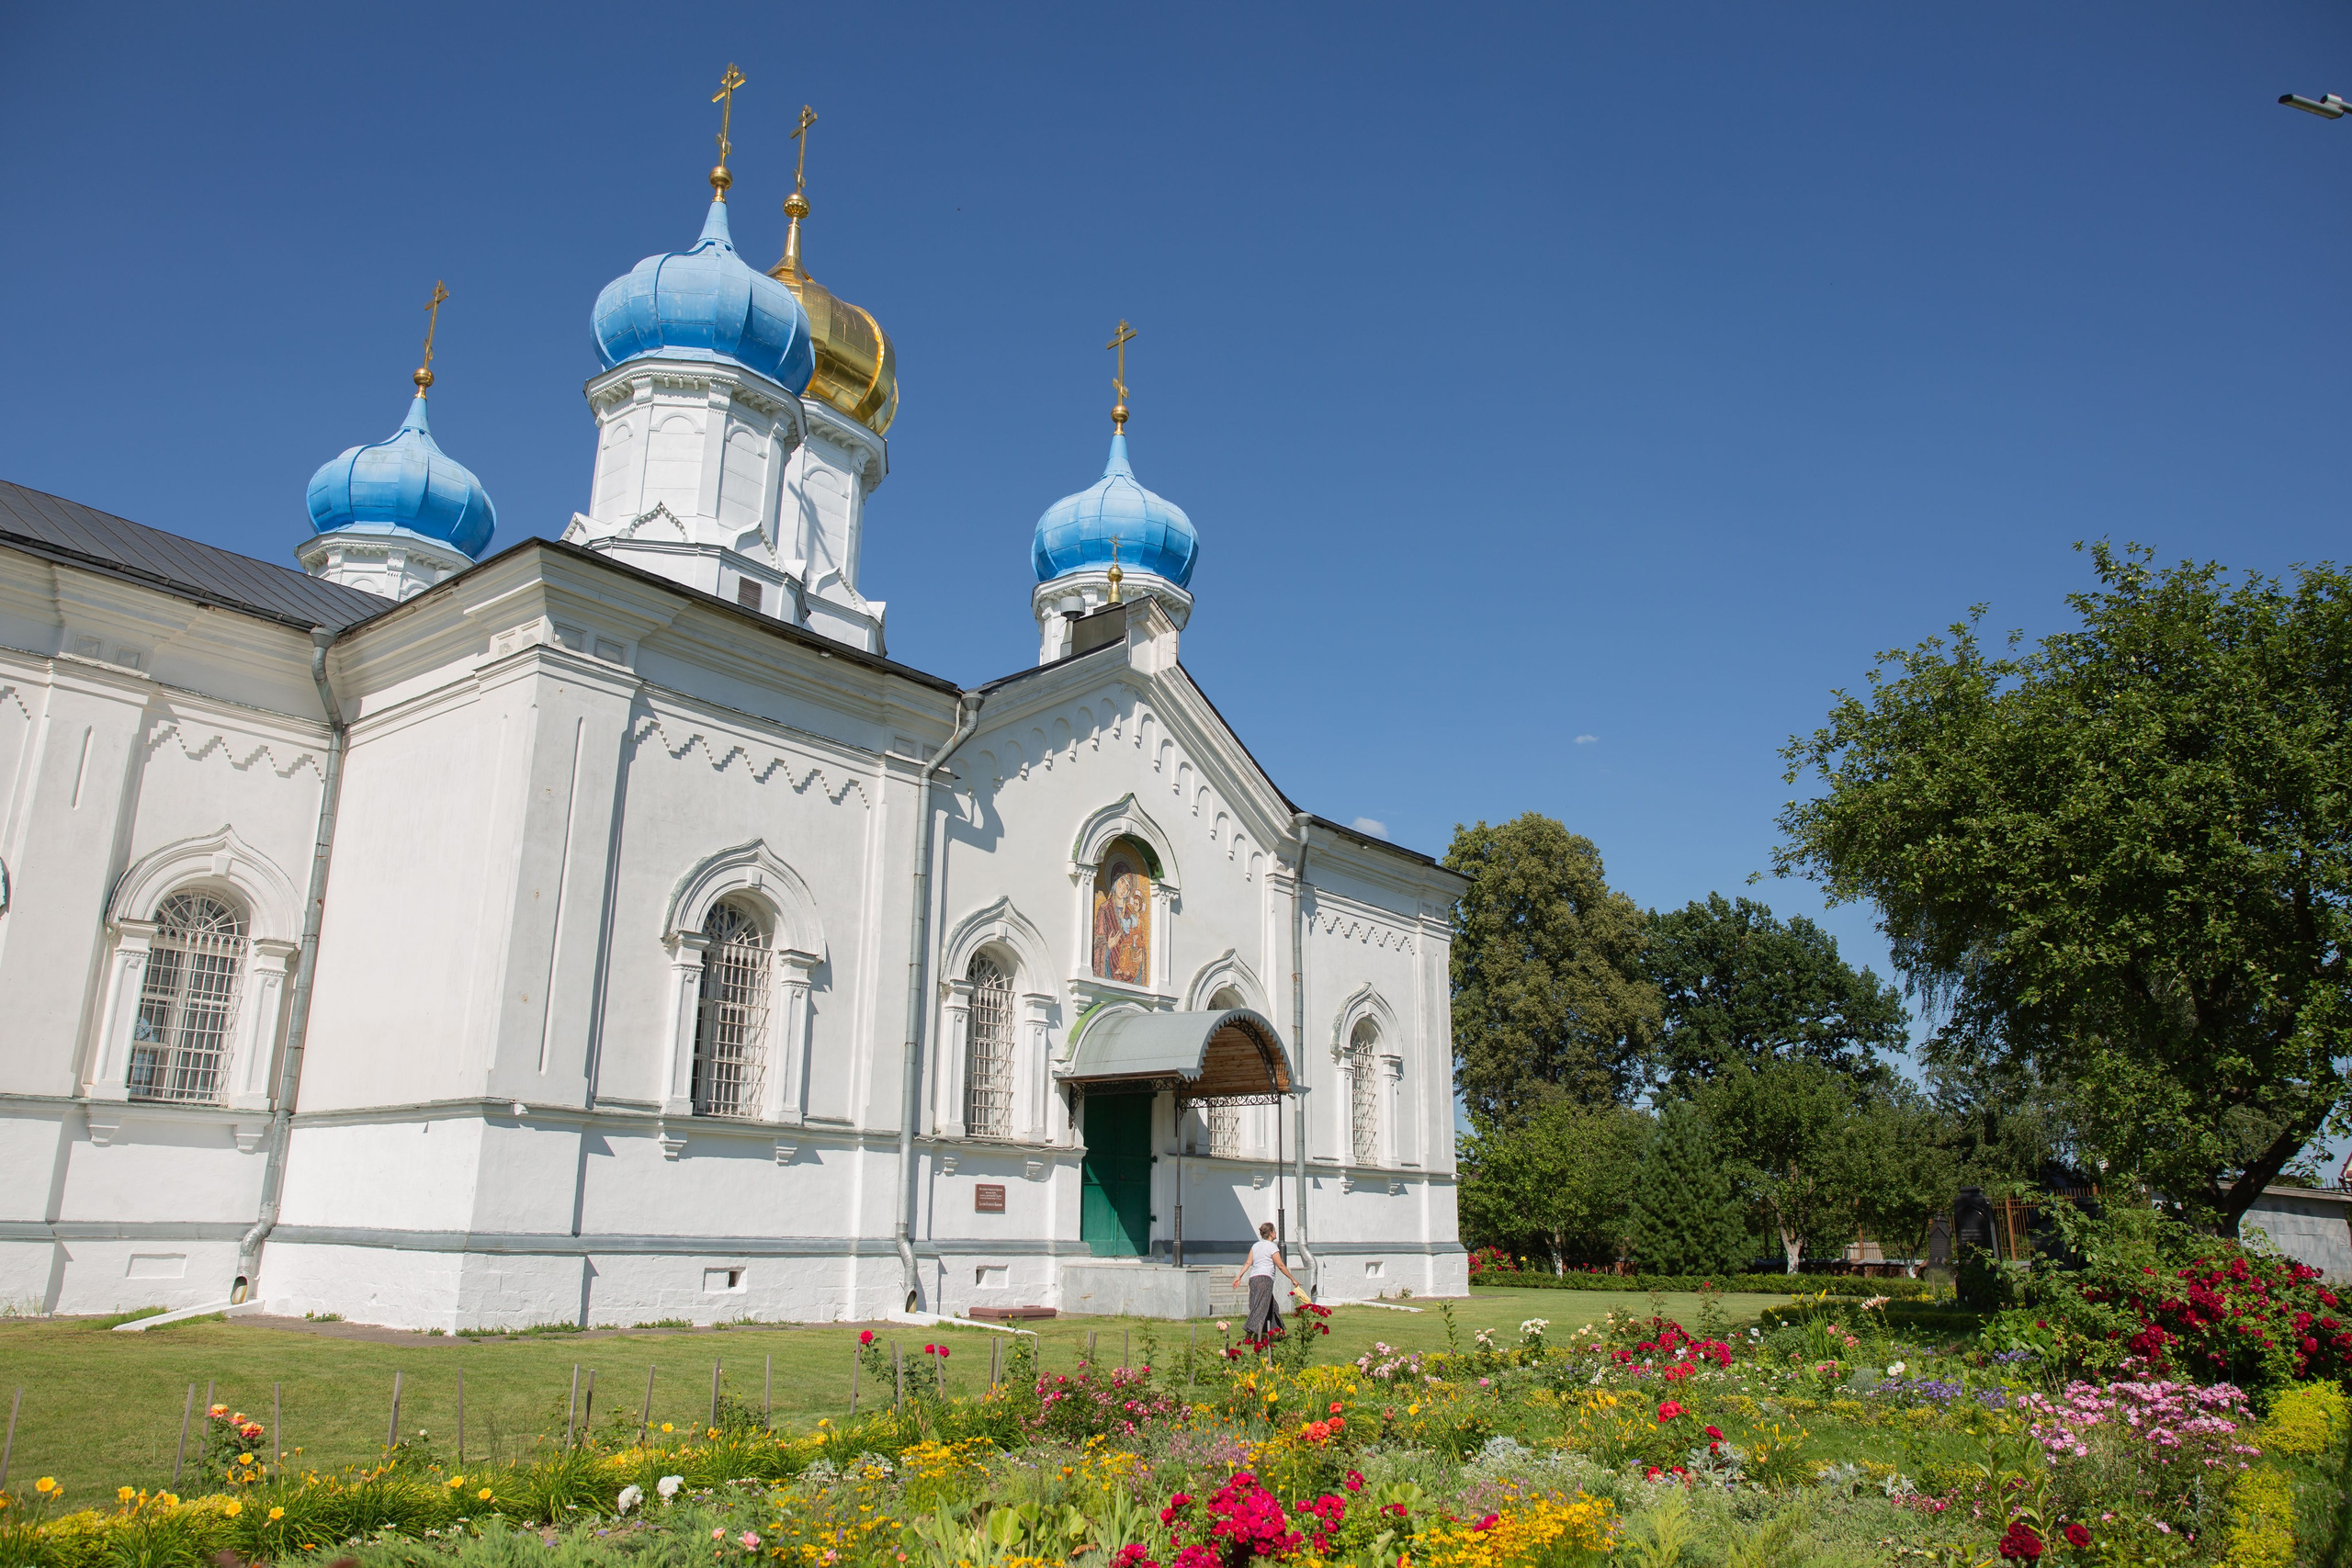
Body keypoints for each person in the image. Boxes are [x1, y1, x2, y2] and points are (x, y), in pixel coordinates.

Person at [1232, 1220, 1301, 1341]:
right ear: (1270, 1233)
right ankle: (1248, 1336)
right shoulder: (1272, 1247)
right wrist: (1293, 1279)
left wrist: (1239, 1276)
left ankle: (1276, 1333)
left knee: (1272, 1307)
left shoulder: (1255, 1246)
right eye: (1274, 1231)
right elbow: (1281, 1265)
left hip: (1253, 1279)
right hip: (1265, 1279)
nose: (1276, 1233)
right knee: (1259, 1308)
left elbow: (1248, 1263)